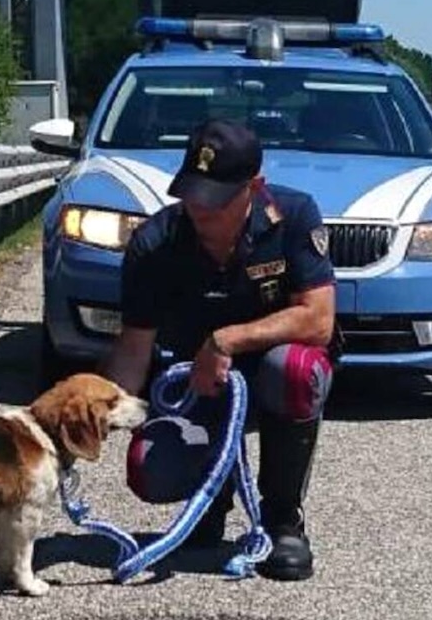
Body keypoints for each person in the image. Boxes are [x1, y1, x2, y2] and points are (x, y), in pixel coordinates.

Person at [101, 118, 337, 581]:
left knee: (292, 369)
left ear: (255, 187)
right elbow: (133, 350)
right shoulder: (155, 243)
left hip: (270, 370)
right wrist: (95, 417)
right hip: (194, 381)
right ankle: (209, 502)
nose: (200, 208)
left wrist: (227, 339)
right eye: (192, 193)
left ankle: (282, 519)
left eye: (216, 198)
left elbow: (319, 319)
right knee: (149, 469)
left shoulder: (293, 216)